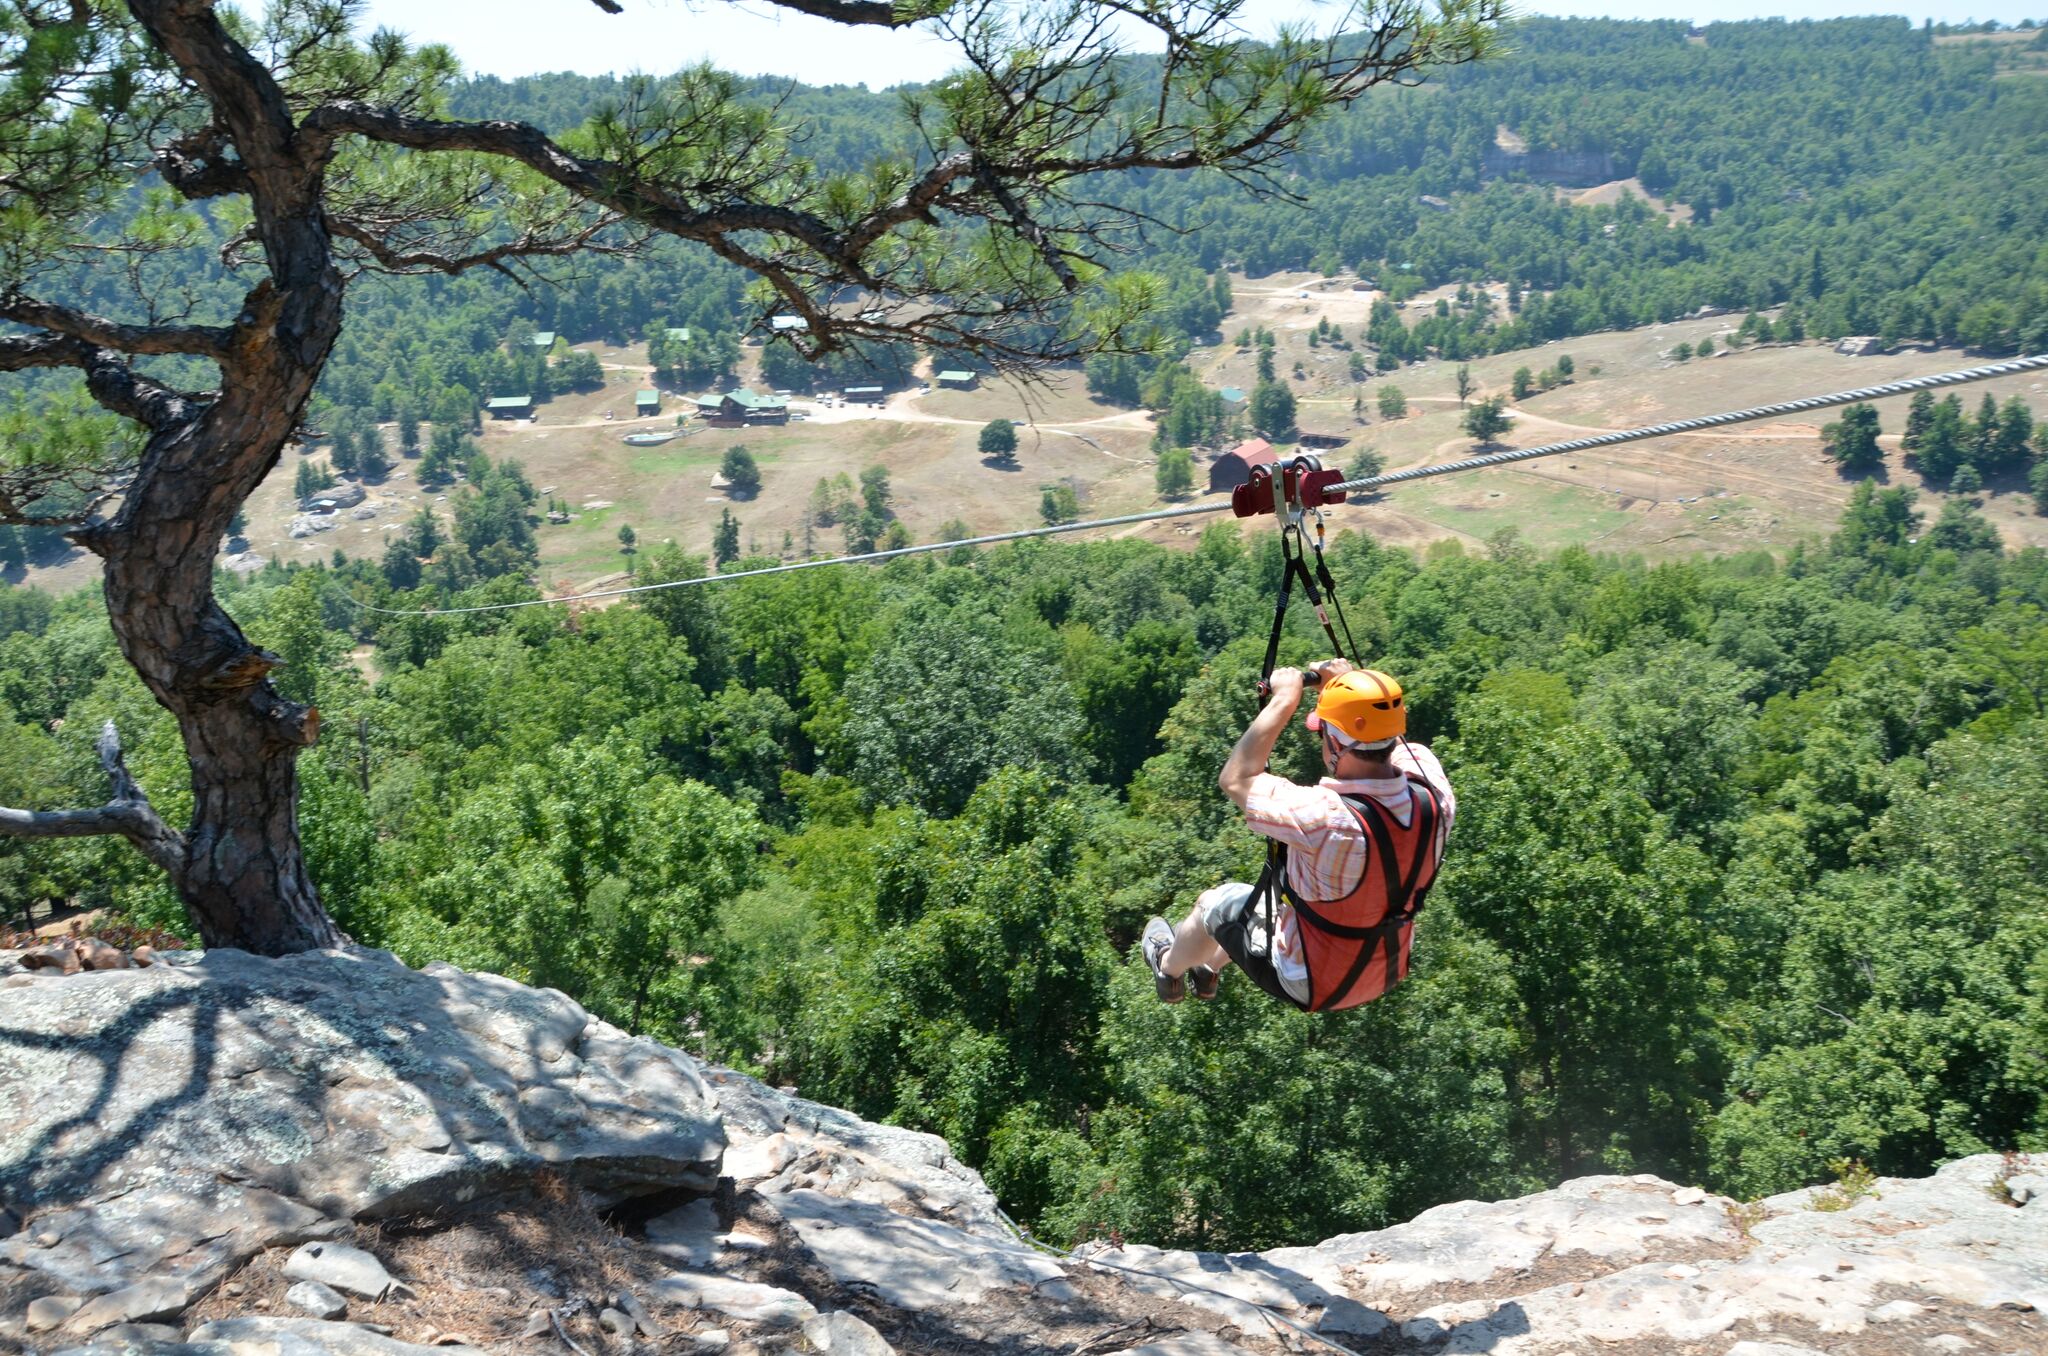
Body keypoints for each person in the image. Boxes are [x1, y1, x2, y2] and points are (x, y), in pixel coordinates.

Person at [1141, 662, 1456, 1010]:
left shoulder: (1325, 818)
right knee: (1259, 906)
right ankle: (1207, 968)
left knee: (1215, 903)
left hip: (1312, 981)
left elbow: (1235, 779)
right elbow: (1396, 744)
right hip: (1384, 969)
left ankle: (1168, 967)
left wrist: (1285, 700)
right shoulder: (1435, 797)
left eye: (1323, 732)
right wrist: (1345, 691)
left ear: (1335, 740)